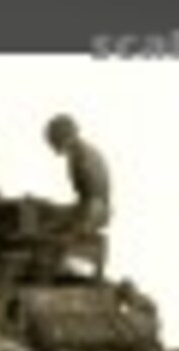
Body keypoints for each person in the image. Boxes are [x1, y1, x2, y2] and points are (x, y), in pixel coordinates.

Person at [43, 114, 112, 279]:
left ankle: (60, 267)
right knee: (49, 215)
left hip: (94, 210)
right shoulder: (81, 152)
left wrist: (81, 226)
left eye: (53, 140)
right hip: (91, 207)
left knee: (46, 228)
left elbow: (95, 196)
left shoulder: (82, 156)